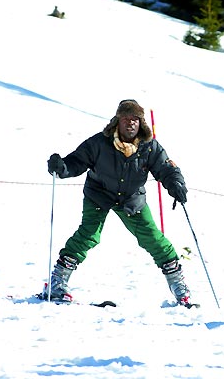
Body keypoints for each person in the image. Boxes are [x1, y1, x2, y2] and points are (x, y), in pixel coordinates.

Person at [43, 99, 193, 306]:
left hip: (132, 199)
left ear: (141, 123)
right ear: (117, 122)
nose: (130, 123)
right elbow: (76, 161)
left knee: (153, 239)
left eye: (135, 119)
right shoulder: (99, 143)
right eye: (125, 119)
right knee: (88, 235)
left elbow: (166, 169)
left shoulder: (150, 147)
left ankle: (179, 288)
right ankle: (57, 282)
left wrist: (175, 184)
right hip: (99, 194)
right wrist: (61, 167)